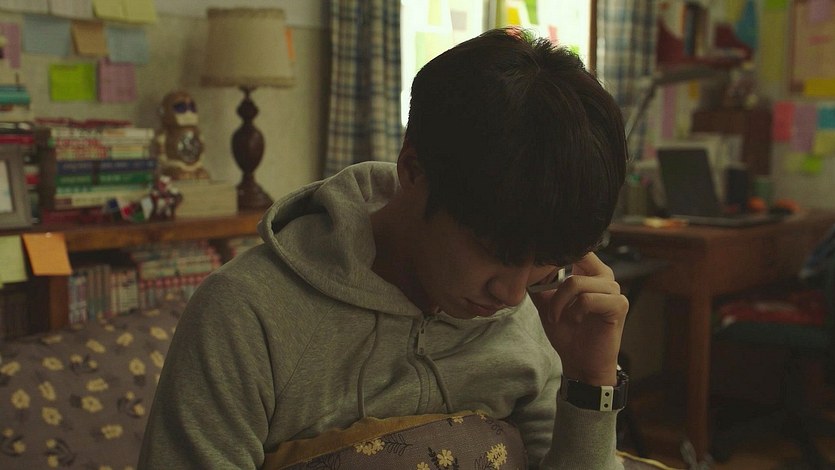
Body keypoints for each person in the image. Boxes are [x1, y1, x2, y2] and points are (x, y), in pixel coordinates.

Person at [139, 27, 629, 469]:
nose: (512, 294)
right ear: (413, 170)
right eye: (496, 252)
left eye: (543, 264)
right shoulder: (246, 316)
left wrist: (591, 380)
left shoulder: (533, 314)